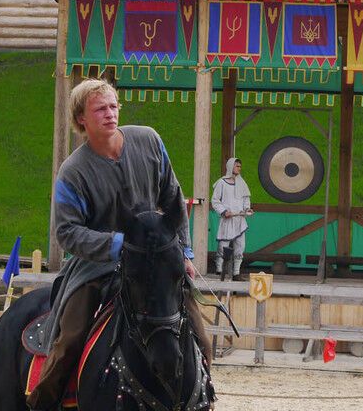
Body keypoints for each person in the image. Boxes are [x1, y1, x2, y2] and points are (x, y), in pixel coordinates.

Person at [27, 79, 210, 411]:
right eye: (100, 109)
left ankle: (201, 398)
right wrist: (117, 246)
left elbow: (173, 201)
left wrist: (183, 253)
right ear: (81, 118)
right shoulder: (72, 173)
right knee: (70, 339)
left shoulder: (149, 140)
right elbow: (67, 233)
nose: (110, 114)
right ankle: (43, 402)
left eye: (113, 106)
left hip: (156, 258)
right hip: (98, 266)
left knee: (200, 335)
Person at [211, 157, 253, 280]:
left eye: (240, 166)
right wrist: (224, 211)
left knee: (240, 247)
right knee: (223, 246)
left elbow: (246, 199)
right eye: (236, 166)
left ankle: (236, 273)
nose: (239, 168)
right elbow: (215, 201)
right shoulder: (221, 183)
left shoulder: (242, 183)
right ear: (230, 167)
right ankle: (220, 270)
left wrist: (247, 209)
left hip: (239, 220)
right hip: (227, 220)